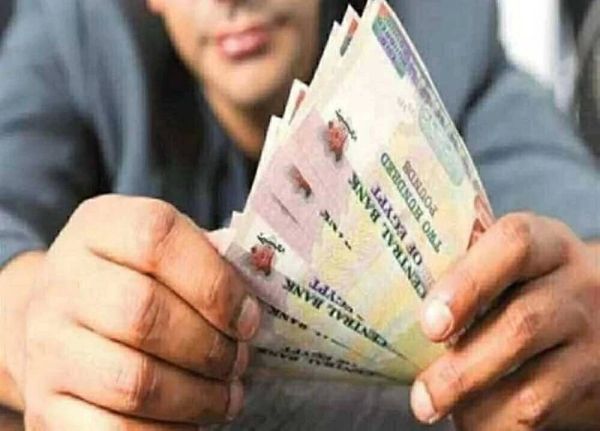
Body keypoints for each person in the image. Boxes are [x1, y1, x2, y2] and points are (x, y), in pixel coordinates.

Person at [0, 0, 598, 430]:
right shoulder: (75, 31)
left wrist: (581, 318)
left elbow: (583, 235)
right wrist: (33, 325)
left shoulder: (440, 29)